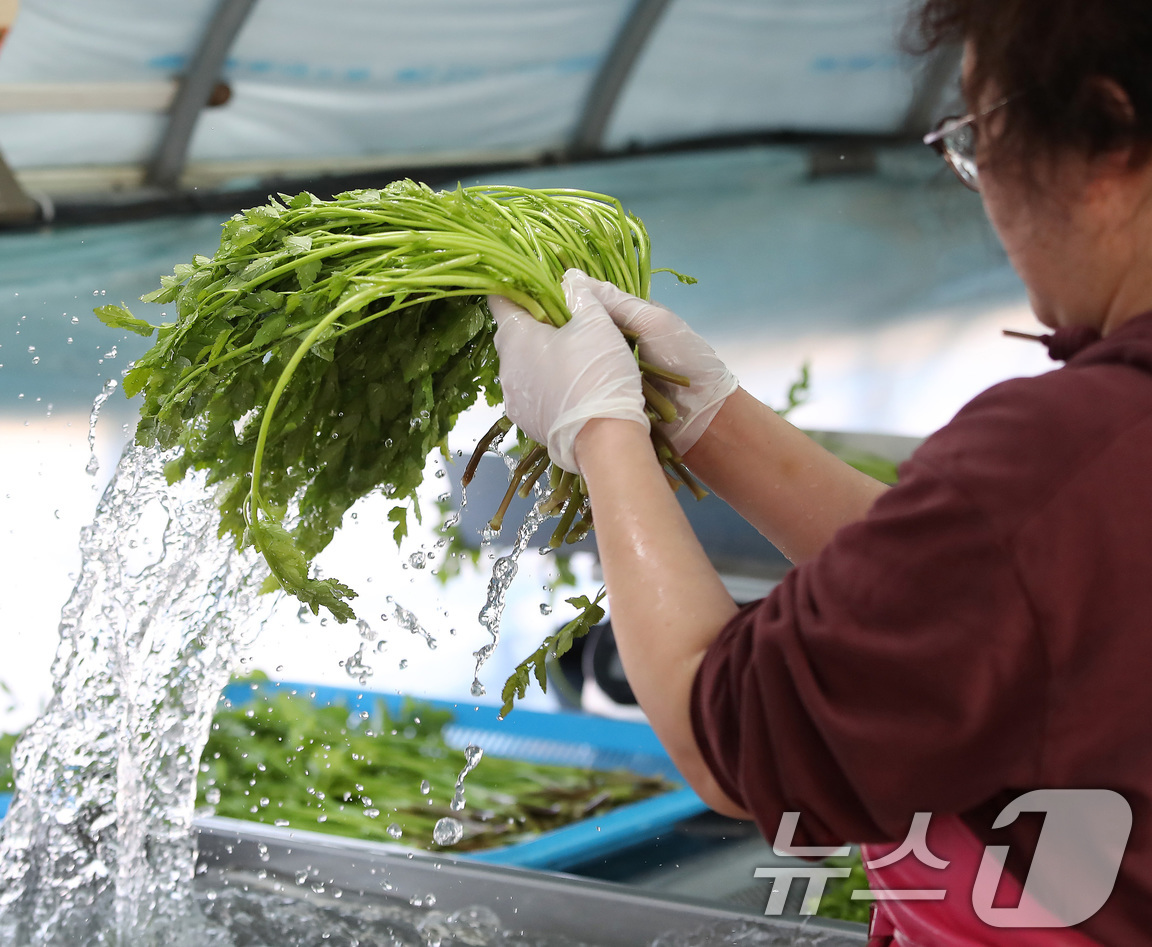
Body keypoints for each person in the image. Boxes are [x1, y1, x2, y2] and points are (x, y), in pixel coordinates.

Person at [489, 0, 1152, 942]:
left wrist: (601, 432)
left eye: (976, 139)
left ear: (1105, 130)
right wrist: (709, 419)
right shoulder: (1082, 471)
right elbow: (973, 602)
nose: (982, 186)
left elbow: (735, 734)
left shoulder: (1068, 450)